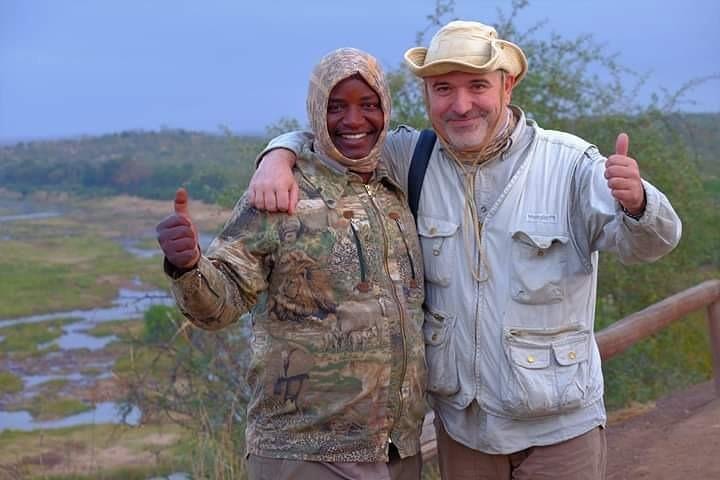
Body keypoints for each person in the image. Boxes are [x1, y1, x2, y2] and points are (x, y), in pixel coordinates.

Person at [247, 21, 682, 480]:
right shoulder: (408, 158)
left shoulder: (570, 164)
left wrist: (637, 202)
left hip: (561, 434)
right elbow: (336, 137)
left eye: (477, 85)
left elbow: (652, 244)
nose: (461, 105)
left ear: (507, 85)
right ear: (425, 95)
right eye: (443, 89)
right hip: (465, 434)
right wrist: (278, 155)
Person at [156, 48, 427, 480]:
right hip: (305, 453)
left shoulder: (396, 187)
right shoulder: (281, 193)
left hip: (398, 450)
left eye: (368, 105)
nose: (354, 121)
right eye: (336, 107)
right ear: (317, 111)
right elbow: (220, 304)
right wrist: (188, 265)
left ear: (385, 109)